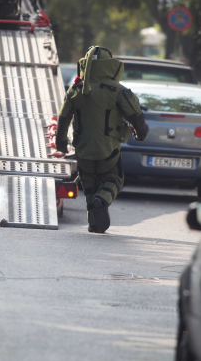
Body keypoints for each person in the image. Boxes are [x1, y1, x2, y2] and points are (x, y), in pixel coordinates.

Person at [54, 46, 148, 233]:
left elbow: (63, 118)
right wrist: (141, 134)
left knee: (89, 184)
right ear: (110, 66)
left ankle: (94, 224)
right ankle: (102, 200)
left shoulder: (75, 89)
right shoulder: (118, 91)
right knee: (115, 180)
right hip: (109, 150)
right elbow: (136, 116)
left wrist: (61, 145)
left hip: (83, 149)